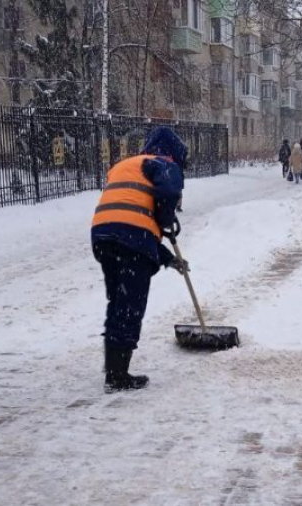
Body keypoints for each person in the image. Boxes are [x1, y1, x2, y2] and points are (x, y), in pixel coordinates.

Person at [91, 126, 189, 393]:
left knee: (118, 301)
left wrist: (169, 259)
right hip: (130, 236)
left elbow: (134, 224)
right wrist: (166, 218)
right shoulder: (164, 163)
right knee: (130, 305)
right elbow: (167, 194)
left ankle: (114, 368)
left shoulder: (127, 165)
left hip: (103, 234)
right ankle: (118, 376)